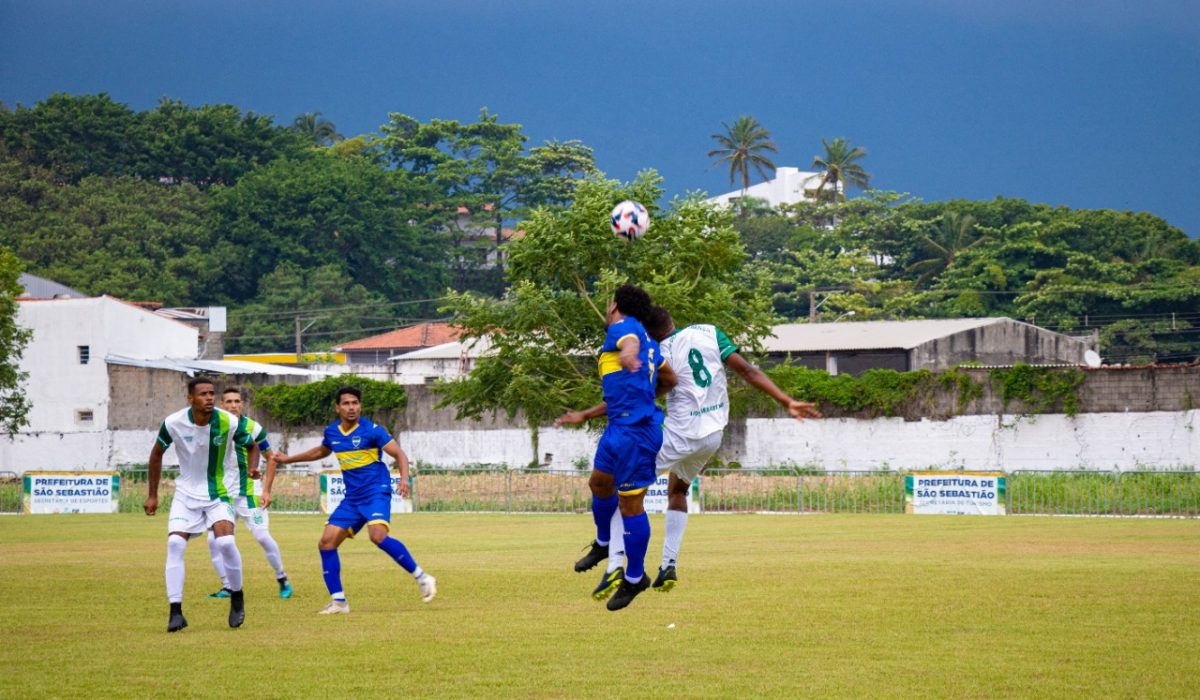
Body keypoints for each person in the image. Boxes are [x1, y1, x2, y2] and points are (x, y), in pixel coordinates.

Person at [641, 305, 821, 591]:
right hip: (712, 434)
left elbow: (655, 389)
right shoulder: (709, 331)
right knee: (677, 491)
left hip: (679, 435)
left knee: (623, 484)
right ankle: (668, 565)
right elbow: (748, 371)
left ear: (650, 333)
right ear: (672, 320)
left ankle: (620, 563)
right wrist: (786, 400)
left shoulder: (657, 351)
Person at [555, 284, 677, 611]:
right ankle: (604, 543)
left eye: (610, 304)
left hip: (636, 434)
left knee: (631, 506)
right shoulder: (651, 343)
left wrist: (629, 351)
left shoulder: (626, 330)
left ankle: (635, 578)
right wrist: (587, 413)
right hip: (619, 427)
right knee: (598, 483)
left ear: (615, 308)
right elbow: (669, 378)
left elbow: (630, 342)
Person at [269, 386, 435, 614]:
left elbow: (399, 454)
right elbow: (321, 452)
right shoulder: (333, 432)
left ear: (360, 406)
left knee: (377, 536)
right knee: (326, 542)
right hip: (353, 497)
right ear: (338, 407)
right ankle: (339, 602)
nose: (351, 407)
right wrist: (288, 460)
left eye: (355, 403)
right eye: (346, 403)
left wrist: (404, 479)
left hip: (376, 490)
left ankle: (422, 577)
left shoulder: (372, 430)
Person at [145, 376, 260, 632]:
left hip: (218, 493)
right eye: (203, 394)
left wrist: (253, 468)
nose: (209, 398)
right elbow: (155, 455)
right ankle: (175, 612)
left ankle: (237, 597)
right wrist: (152, 494)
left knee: (226, 542)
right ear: (190, 399)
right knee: (175, 543)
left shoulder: (228, 421)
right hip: (185, 494)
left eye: (211, 393)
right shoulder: (173, 423)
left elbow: (253, 446)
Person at [204, 387, 292, 601]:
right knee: (213, 540)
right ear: (221, 405)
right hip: (223, 495)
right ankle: (227, 585)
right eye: (229, 401)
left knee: (262, 536)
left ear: (242, 404)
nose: (233, 405)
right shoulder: (212, 427)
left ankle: (282, 578)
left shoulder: (253, 428)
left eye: (237, 401)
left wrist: (267, 490)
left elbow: (271, 457)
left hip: (249, 493)